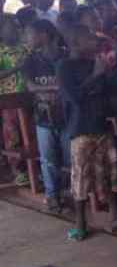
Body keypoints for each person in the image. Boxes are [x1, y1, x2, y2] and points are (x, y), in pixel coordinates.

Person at [59, 24, 117, 240]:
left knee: (110, 170)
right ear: (75, 43)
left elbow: (112, 89)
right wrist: (96, 74)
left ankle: (116, 212)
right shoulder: (65, 67)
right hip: (80, 129)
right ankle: (80, 223)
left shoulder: (95, 63)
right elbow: (75, 97)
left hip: (101, 124)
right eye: (89, 38)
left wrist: (112, 67)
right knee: (81, 175)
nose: (95, 41)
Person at [23, 20, 67, 210]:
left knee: (68, 156)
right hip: (43, 117)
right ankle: (52, 195)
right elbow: (31, 86)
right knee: (48, 158)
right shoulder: (31, 60)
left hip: (67, 115)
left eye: (29, 34)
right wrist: (56, 87)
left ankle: (70, 191)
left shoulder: (65, 56)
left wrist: (48, 89)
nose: (27, 38)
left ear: (43, 35)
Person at [0, 14, 29, 186]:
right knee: (13, 135)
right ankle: (18, 171)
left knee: (30, 134)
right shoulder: (1, 51)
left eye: (18, 26)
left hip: (29, 97)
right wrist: (17, 68)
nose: (17, 29)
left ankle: (33, 168)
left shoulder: (26, 48)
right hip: (9, 100)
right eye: (12, 27)